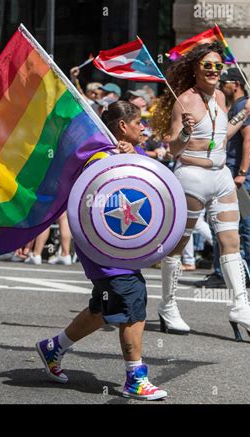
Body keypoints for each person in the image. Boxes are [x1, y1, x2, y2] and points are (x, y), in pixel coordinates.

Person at [36, 101, 167, 400]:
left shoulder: (126, 154)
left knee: (103, 310)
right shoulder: (98, 159)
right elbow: (92, 203)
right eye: (139, 124)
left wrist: (133, 156)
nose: (143, 128)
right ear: (123, 126)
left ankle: (53, 348)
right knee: (133, 298)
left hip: (120, 247)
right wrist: (117, 163)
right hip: (104, 246)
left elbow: (150, 183)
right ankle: (135, 378)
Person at [152, 41, 250, 340]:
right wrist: (186, 133)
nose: (215, 71)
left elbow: (221, 136)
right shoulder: (184, 101)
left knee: (232, 241)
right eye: (208, 66)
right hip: (191, 176)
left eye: (219, 66)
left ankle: (241, 307)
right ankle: (168, 306)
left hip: (221, 177)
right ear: (195, 69)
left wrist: (244, 114)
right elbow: (174, 147)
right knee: (178, 245)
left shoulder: (219, 96)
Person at [195, 67, 250, 289]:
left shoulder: (243, 106)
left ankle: (243, 273)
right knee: (236, 223)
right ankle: (246, 273)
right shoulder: (239, 106)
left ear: (236, 84)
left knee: (235, 223)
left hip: (236, 173)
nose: (222, 85)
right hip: (232, 170)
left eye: (225, 82)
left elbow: (249, 140)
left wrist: (241, 174)